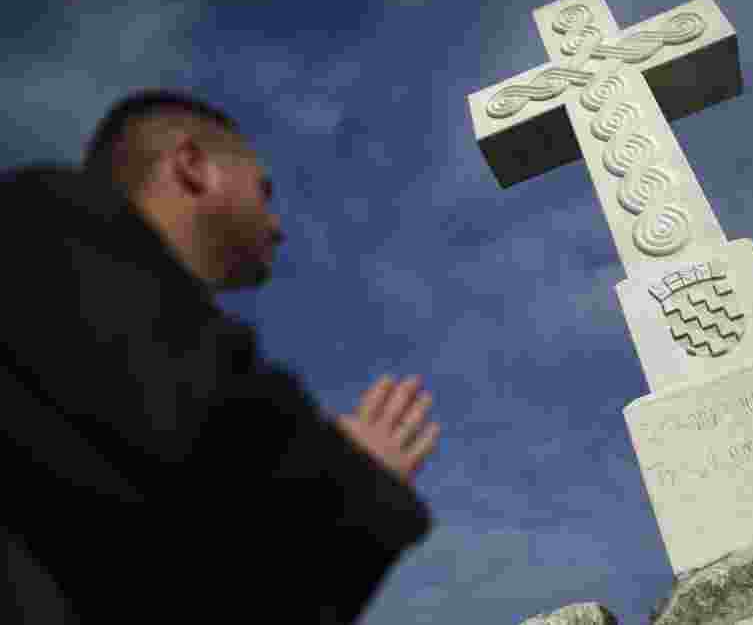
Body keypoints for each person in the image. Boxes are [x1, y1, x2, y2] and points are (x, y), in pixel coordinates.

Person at [0, 89, 440, 624]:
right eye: (264, 190)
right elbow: (221, 450)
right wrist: (356, 484)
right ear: (192, 166)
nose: (277, 226)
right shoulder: (42, 237)